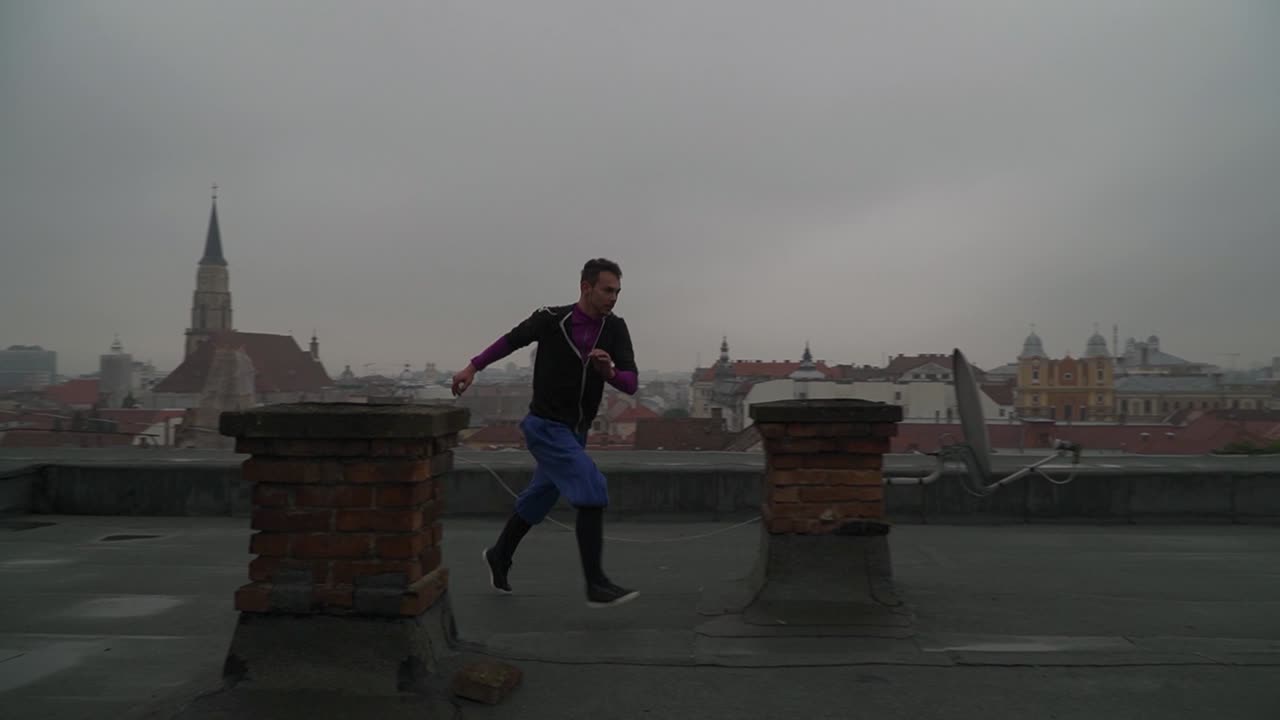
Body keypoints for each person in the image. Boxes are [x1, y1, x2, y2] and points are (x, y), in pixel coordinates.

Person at [452, 258, 640, 608]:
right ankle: (596, 584)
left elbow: (631, 382)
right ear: (586, 287)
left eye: (617, 292)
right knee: (592, 486)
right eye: (607, 290)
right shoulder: (552, 319)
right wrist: (473, 366)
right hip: (545, 426)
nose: (613, 298)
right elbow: (511, 340)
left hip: (576, 431)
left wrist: (609, 372)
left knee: (540, 497)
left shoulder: (615, 328)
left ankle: (500, 554)